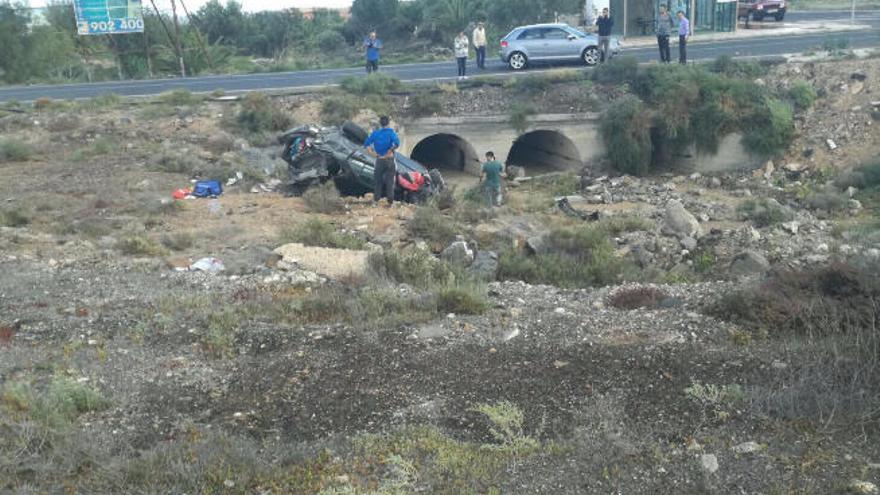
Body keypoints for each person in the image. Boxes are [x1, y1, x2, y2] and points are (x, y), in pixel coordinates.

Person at [363, 116, 400, 206]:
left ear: (380, 123)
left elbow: (366, 144)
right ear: (388, 123)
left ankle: (375, 201)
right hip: (390, 160)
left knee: (378, 181)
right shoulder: (391, 133)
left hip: (379, 160)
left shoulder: (375, 134)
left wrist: (373, 154)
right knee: (390, 182)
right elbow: (397, 143)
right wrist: (390, 151)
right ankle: (390, 202)